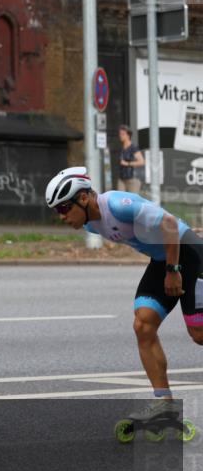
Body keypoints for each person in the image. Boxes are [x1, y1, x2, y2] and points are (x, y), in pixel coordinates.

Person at [46, 166, 203, 425]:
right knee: (143, 324)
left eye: (63, 208)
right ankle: (164, 404)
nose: (61, 216)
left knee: (199, 334)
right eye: (57, 211)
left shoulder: (117, 204)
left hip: (190, 254)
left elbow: (169, 223)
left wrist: (173, 270)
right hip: (164, 259)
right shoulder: (92, 226)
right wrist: (167, 267)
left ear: (83, 198)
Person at [117, 125, 145, 194]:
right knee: (120, 200)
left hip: (132, 179)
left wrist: (127, 163)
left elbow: (142, 162)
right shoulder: (121, 148)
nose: (120, 136)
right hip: (122, 179)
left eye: (123, 134)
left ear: (128, 135)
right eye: (120, 134)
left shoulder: (133, 148)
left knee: (132, 201)